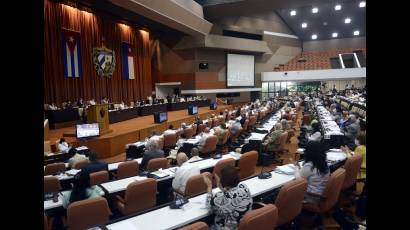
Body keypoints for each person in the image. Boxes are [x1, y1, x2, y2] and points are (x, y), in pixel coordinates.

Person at [203, 165, 253, 229]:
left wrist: (209, 186)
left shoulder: (219, 198)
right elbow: (231, 194)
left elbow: (208, 207)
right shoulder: (244, 186)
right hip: (243, 225)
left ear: (222, 181)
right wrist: (221, 187)